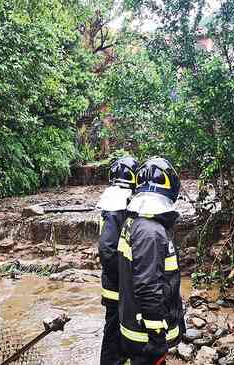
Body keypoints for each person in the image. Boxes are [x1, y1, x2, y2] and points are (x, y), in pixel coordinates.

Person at [117, 157, 185, 365]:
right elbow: (147, 287)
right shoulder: (151, 232)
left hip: (134, 325)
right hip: (145, 335)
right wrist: (157, 336)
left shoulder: (134, 223)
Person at [97, 156, 139, 365]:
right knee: (114, 335)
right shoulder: (116, 204)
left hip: (114, 284)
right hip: (116, 287)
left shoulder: (112, 200)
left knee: (117, 332)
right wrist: (124, 277)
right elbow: (107, 249)